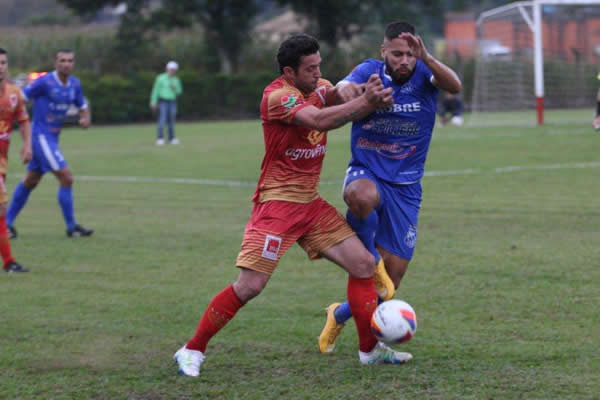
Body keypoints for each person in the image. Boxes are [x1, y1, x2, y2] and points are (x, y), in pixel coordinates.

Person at [173, 33, 413, 377]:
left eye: (319, 66)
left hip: (310, 206)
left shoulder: (317, 85)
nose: (318, 74)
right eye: (310, 69)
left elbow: (337, 93)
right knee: (250, 286)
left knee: (362, 264)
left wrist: (364, 90)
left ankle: (369, 350)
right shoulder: (277, 97)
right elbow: (320, 120)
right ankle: (191, 349)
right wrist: (367, 104)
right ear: (289, 71)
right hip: (277, 205)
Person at [318, 21, 462, 354]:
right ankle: (368, 256)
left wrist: (428, 57)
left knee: (387, 289)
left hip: (407, 188)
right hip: (368, 171)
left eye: (410, 54)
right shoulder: (369, 72)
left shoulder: (426, 73)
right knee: (360, 196)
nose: (404, 60)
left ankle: (337, 314)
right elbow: (342, 90)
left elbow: (454, 85)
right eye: (397, 53)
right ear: (383, 51)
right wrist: (360, 95)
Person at [6, 49, 93, 239]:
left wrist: (85, 118)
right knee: (66, 177)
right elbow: (19, 99)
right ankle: (71, 227)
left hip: (53, 138)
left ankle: (5, 225)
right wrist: (21, 134)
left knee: (31, 180)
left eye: (70, 60)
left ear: (74, 63)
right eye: (62, 60)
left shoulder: (74, 84)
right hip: (40, 137)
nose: (66, 64)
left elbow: (83, 107)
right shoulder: (44, 82)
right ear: (55, 63)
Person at [0, 48, 32, 272]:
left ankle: (9, 262)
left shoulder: (14, 93)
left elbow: (23, 119)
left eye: (3, 62)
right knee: (1, 210)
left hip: (2, 161)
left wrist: (27, 144)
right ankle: (9, 262)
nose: (0, 66)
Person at [150, 61, 182, 146]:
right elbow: (155, 91)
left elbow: (179, 92)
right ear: (167, 69)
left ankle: (171, 138)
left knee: (171, 120)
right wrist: (153, 101)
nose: (172, 71)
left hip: (172, 101)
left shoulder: (176, 80)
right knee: (162, 119)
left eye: (174, 70)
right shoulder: (160, 78)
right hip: (163, 101)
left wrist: (175, 88)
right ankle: (160, 138)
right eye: (171, 69)